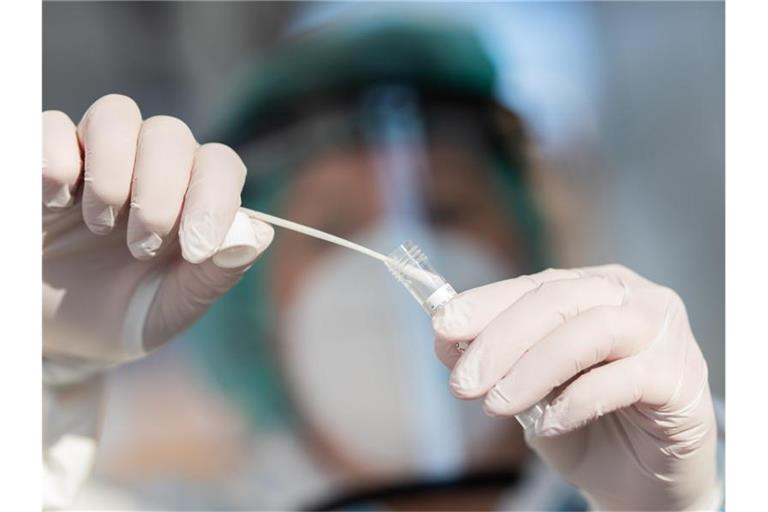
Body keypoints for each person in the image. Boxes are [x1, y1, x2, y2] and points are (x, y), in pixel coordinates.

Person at [43, 19, 723, 512]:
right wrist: (40, 370)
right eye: (333, 229)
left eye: (446, 209)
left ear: (531, 241)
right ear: (256, 310)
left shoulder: (703, 461)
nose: (386, 259)